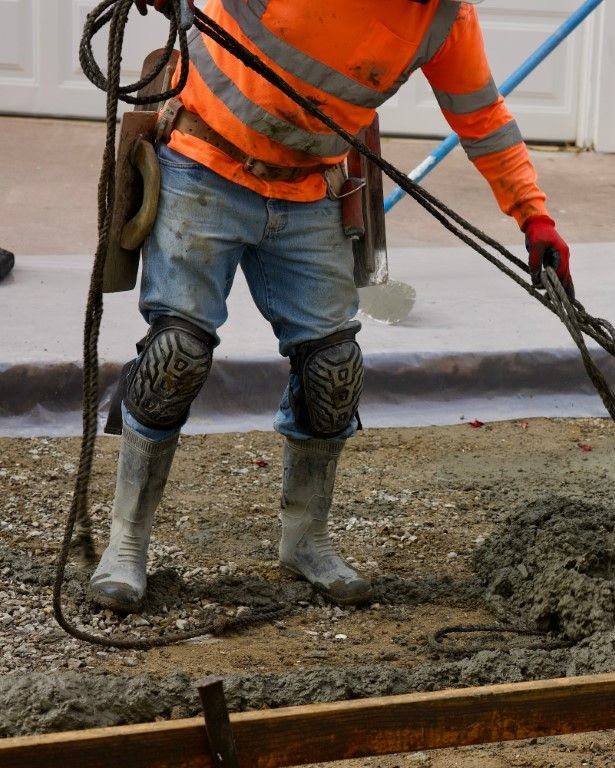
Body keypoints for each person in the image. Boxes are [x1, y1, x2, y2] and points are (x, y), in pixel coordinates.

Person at [89, 0, 574, 612]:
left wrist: (534, 216)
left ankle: (306, 541)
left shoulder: (445, 19)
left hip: (310, 190)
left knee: (333, 370)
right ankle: (126, 544)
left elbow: (483, 118)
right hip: (202, 163)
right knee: (175, 356)